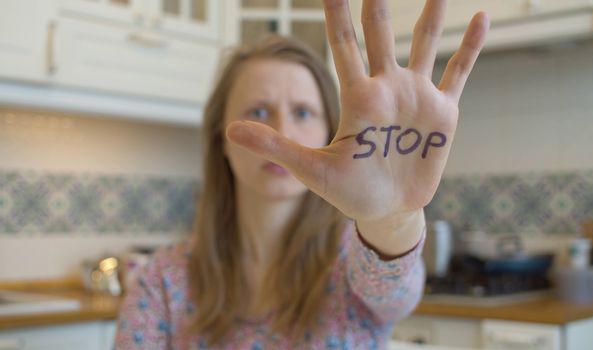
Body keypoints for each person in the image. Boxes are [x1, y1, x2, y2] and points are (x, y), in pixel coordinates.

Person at [115, 0, 489, 348]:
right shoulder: (160, 283)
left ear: (332, 131)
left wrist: (394, 217)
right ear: (221, 140)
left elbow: (397, 293)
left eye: (303, 113)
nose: (283, 132)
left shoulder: (353, 263)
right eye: (259, 112)